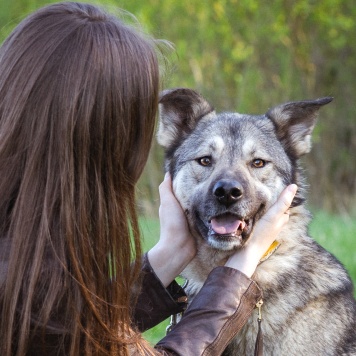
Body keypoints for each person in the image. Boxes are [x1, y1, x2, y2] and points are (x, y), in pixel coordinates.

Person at [0, 2, 297, 355]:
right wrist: (241, 269)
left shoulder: (27, 248)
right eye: (138, 124)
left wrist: (170, 254)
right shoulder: (38, 276)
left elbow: (74, 337)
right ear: (99, 140)